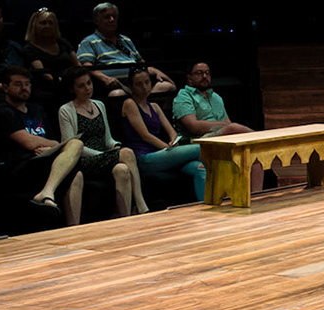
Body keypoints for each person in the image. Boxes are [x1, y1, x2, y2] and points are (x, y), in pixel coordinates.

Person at [0, 65, 85, 226]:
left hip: (41, 159)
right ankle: (46, 193)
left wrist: (50, 148)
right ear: (5, 88)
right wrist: (51, 145)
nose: (24, 88)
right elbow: (29, 142)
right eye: (18, 84)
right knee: (75, 143)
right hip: (19, 166)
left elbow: (53, 141)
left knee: (77, 174)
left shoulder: (37, 109)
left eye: (27, 84)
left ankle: (73, 228)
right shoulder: (3, 112)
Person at [58, 66, 147, 216]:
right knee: (127, 153)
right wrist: (102, 154)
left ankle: (124, 218)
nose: (87, 88)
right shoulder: (66, 110)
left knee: (123, 169)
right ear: (72, 89)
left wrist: (115, 146)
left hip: (104, 157)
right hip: (83, 160)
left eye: (89, 83)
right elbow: (70, 144)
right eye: (81, 86)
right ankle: (141, 205)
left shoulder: (99, 105)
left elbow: (108, 139)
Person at [172, 61, 265, 193]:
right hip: (197, 141)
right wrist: (226, 126)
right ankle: (262, 139)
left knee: (254, 157)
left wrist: (227, 127)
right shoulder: (183, 96)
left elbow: (228, 124)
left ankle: (257, 197)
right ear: (189, 78)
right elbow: (194, 126)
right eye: (199, 73)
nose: (204, 76)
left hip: (220, 139)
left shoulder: (216, 97)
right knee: (232, 128)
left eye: (207, 73)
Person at [120, 65, 206, 202]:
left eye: (147, 82)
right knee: (199, 149)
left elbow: (172, 131)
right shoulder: (129, 104)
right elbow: (145, 135)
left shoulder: (154, 106)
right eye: (139, 84)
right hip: (144, 158)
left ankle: (208, 207)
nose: (144, 87)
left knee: (198, 168)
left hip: (162, 155)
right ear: (131, 87)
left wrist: (173, 140)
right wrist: (168, 147)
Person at [76, 3, 174, 98]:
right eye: (107, 17)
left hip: (139, 84)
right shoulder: (88, 42)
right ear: (97, 21)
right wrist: (105, 78)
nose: (112, 19)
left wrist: (155, 71)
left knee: (168, 87)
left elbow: (141, 63)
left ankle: (149, 111)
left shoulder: (125, 40)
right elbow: (87, 66)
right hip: (117, 87)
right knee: (117, 95)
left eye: (114, 16)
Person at [20, 7, 75, 122]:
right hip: (48, 88)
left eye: (50, 23)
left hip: (71, 84)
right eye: (43, 23)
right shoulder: (29, 49)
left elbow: (78, 65)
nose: (47, 26)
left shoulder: (63, 43)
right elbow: (46, 75)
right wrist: (66, 83)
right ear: (35, 25)